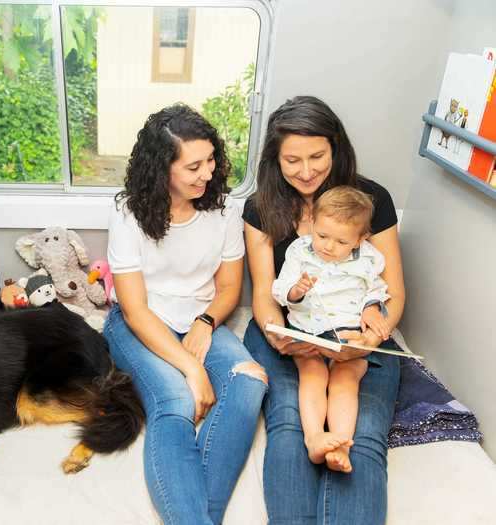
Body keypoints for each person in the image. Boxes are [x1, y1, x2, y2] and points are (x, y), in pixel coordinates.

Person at [242, 95, 406, 524]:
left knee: (364, 435)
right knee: (291, 424)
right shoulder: (262, 208)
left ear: (336, 148)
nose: (307, 170)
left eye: (317, 156)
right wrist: (282, 337)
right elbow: (263, 292)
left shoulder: (370, 201)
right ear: (275, 161)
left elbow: (392, 291)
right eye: (292, 160)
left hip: (358, 331)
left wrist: (370, 338)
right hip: (290, 329)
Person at [103, 104, 268, 525]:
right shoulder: (128, 215)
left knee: (250, 380)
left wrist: (205, 323)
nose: (207, 172)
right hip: (139, 324)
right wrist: (192, 371)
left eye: (211, 159)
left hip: (200, 319)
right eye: (193, 165)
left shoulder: (223, 211)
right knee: (175, 400)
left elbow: (230, 288)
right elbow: (136, 309)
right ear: (162, 169)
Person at [271, 186, 394, 475]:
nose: (328, 246)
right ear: (312, 222)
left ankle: (341, 444)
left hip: (347, 335)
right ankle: (314, 437)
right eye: (322, 235)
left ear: (359, 239)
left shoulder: (368, 258)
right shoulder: (300, 251)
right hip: (308, 331)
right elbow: (279, 289)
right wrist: (295, 291)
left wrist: (371, 309)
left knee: (345, 380)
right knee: (313, 375)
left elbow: (375, 289)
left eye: (341, 241)